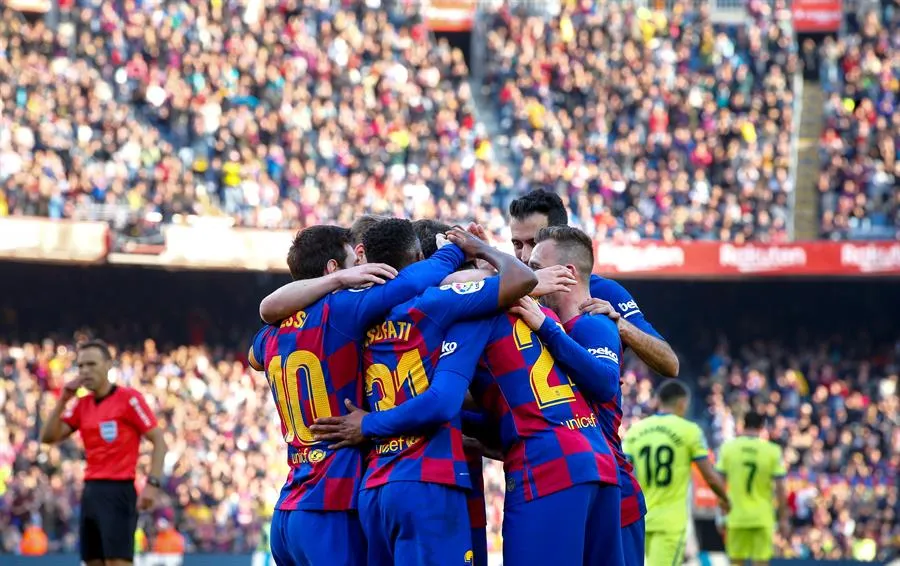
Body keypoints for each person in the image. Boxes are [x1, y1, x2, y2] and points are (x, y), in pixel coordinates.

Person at [247, 223, 481, 566]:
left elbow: (254, 355)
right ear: (333, 270)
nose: (361, 265)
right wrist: (455, 250)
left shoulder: (270, 335)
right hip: (331, 505)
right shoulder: (341, 309)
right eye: (352, 261)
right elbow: (413, 282)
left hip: (288, 511)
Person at [309, 218, 535, 565]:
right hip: (428, 479)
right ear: (418, 257)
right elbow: (521, 279)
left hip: (375, 486)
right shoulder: (434, 303)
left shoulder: (349, 314)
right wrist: (480, 251)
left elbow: (271, 309)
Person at [511, 225, 649, 566]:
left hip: (615, 496)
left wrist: (548, 329)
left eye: (537, 262)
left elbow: (603, 383)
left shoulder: (593, 324)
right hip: (583, 483)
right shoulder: (554, 329)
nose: (528, 265)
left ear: (567, 273)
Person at [508, 189, 679, 378]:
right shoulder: (508, 294)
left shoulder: (603, 291)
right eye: (517, 244)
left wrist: (621, 325)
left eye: (533, 243)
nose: (524, 256)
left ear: (559, 235)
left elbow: (670, 364)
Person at [40, 340, 167, 566]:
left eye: (91, 364)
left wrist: (153, 483)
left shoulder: (128, 399)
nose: (85, 371)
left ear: (108, 365)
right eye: (80, 366)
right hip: (91, 491)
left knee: (117, 562)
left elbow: (158, 440)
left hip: (119, 490)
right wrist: (63, 399)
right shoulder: (82, 404)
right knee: (93, 562)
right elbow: (48, 437)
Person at [623, 380, 729, 566]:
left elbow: (623, 471)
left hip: (639, 519)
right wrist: (725, 499)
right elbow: (710, 477)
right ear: (682, 403)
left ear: (658, 401)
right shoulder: (690, 431)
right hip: (671, 523)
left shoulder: (635, 431)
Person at [716, 411, 789, 566]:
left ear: (743, 425)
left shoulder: (728, 449)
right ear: (762, 427)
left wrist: (721, 513)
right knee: (761, 563)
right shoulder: (772, 451)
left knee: (736, 563)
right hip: (762, 517)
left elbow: (719, 483)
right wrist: (783, 518)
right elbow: (781, 488)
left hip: (736, 516)